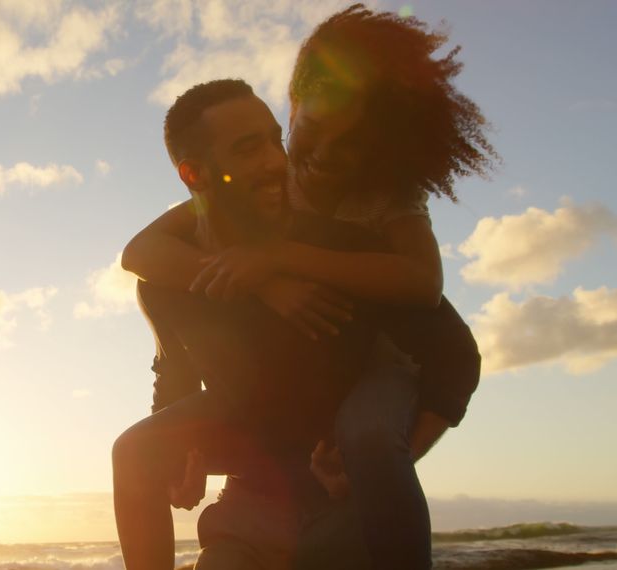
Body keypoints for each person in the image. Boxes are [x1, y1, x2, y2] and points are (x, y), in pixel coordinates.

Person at [117, 5, 496, 569]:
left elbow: (431, 306)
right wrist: (183, 456)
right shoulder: (194, 250)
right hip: (257, 453)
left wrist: (278, 259)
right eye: (299, 135)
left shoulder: (364, 225)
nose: (302, 159)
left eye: (272, 142)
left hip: (371, 374)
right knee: (135, 452)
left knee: (368, 436)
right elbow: (151, 289)